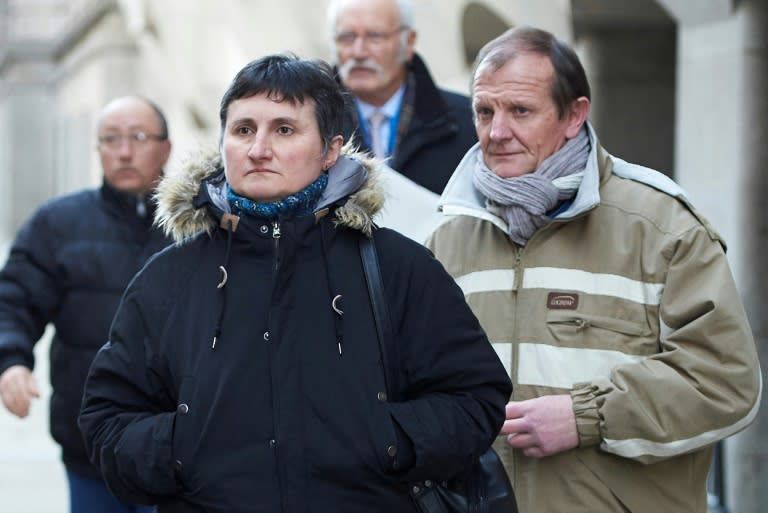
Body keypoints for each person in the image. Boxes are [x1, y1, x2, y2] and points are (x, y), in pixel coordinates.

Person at [77, 54, 511, 513]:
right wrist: (181, 450)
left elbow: (475, 396)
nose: (258, 148)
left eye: (284, 129)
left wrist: (387, 440)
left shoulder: (396, 265)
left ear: (330, 150)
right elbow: (108, 416)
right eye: (243, 130)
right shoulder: (169, 277)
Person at [426, 26, 762, 513]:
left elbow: (724, 382)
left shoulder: (662, 228)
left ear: (574, 115)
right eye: (484, 111)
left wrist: (588, 416)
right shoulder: (444, 238)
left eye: (520, 110)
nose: (496, 133)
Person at [0, 96, 172, 512]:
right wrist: (12, 361)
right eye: (110, 140)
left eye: (138, 137)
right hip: (89, 441)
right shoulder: (57, 223)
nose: (124, 151)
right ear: (97, 151)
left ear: (166, 147)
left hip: (177, 444)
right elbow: (14, 300)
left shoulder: (200, 223)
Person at [327, 0, 477, 194]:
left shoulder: (467, 121)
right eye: (347, 37)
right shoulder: (312, 127)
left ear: (409, 42)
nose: (359, 52)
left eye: (375, 36)